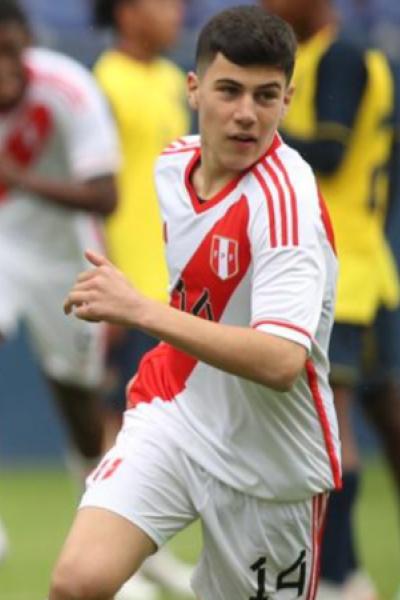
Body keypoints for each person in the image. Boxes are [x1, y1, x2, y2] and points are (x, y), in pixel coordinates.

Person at [49, 7, 341, 600]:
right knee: (77, 583)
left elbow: (283, 362)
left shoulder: (287, 200)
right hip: (175, 415)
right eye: (229, 90)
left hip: (273, 465)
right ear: (194, 87)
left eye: (266, 96)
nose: (245, 113)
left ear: (288, 100)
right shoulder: (171, 165)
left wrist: (139, 309)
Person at [261, 0, 400, 598]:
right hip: (364, 266)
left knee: (328, 430)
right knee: (378, 422)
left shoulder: (338, 58)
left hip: (338, 274)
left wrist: (254, 125)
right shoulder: (335, 57)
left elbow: (333, 153)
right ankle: (347, 574)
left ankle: (344, 576)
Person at [0, 0, 120, 556]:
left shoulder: (68, 88)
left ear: (27, 44)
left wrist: (17, 177)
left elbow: (105, 194)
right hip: (3, 247)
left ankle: (101, 528)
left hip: (66, 259)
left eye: (9, 50)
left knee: (78, 405)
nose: (2, 65)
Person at [92, 1, 192, 598]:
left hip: (171, 282)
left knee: (150, 418)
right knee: (118, 417)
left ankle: (144, 555)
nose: (176, 12)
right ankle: (116, 558)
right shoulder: (103, 80)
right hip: (124, 278)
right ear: (127, 12)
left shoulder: (167, 78)